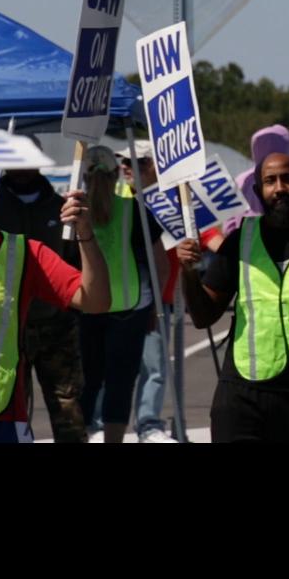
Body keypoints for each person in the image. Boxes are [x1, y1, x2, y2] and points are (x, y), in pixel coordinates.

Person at [175, 152, 289, 442]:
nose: (279, 188)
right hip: (242, 393)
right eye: (270, 181)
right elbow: (203, 316)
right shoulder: (240, 240)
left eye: (287, 179)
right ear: (257, 191)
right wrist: (187, 272)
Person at [0, 173, 110, 443]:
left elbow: (96, 300)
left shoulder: (24, 252)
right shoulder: (5, 207)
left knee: (68, 412)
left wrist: (85, 233)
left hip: (1, 419)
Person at [76, 146, 161, 443]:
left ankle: (80, 436)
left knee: (85, 384)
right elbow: (159, 264)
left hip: (84, 308)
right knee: (120, 384)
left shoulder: (73, 212)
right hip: (130, 307)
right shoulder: (134, 210)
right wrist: (156, 307)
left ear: (83, 177)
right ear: (116, 176)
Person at [120, 142, 179, 442]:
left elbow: (206, 233)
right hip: (118, 298)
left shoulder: (173, 201)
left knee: (154, 366)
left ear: (155, 166)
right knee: (110, 366)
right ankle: (99, 423)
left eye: (138, 162)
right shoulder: (116, 197)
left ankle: (147, 424)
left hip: (158, 296)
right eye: (124, 162)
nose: (128, 167)